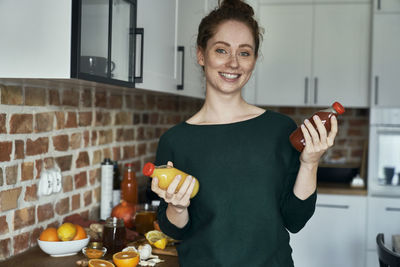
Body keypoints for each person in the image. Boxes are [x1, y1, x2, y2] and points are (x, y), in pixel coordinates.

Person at [149, 0, 338, 266]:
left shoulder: (279, 129)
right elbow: (174, 230)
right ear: (201, 55)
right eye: (222, 50)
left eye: (245, 53)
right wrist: (177, 207)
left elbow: (295, 220)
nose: (233, 63)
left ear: (254, 60)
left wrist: (310, 163)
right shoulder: (175, 141)